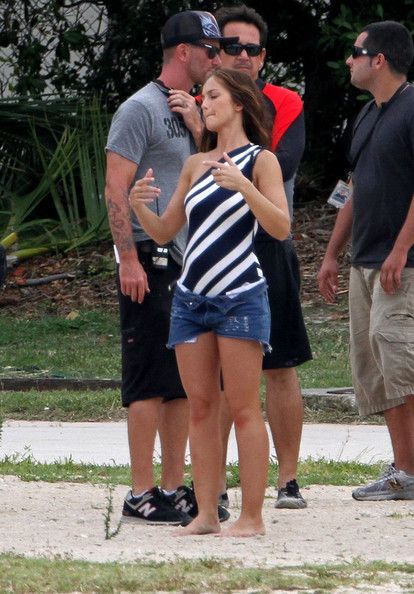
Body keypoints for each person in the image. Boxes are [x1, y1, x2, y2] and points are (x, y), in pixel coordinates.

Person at [129, 68, 291, 536]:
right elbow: (165, 231)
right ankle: (205, 514)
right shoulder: (195, 164)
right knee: (200, 409)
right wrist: (139, 207)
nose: (205, 103)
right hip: (191, 298)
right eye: (204, 97)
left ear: (239, 103)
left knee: (243, 408)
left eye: (214, 96)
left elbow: (281, 227)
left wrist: (245, 187)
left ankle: (252, 517)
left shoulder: (261, 161)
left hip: (240, 295)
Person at [105, 10, 236, 525]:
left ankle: (174, 486)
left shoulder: (197, 111)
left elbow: (217, 167)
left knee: (183, 379)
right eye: (210, 50)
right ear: (184, 52)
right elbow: (116, 188)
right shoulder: (138, 108)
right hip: (147, 255)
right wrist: (128, 258)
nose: (217, 60)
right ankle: (140, 491)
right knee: (147, 377)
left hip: (184, 259)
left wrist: (198, 126)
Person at [215, 4, 312, 509]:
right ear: (215, 52)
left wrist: (225, 121)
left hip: (269, 245)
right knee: (220, 372)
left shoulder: (285, 101)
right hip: (213, 250)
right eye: (232, 46)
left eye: (251, 49)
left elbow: (280, 161)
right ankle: (215, 481)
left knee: (280, 366)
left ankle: (288, 479)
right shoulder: (200, 101)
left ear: (263, 56)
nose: (242, 56)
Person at [318, 20, 414, 501]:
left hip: (403, 264)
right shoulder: (365, 115)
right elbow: (352, 189)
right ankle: (403, 469)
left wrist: (401, 248)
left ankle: (409, 471)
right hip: (365, 260)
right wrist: (332, 253)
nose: (348, 61)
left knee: (398, 356)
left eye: (355, 53)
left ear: (379, 59)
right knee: (377, 368)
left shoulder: (412, 108)